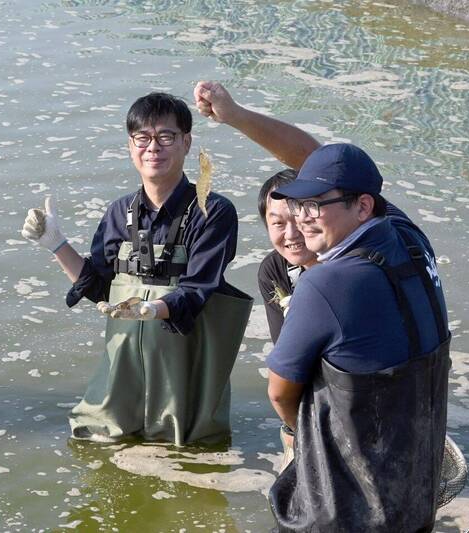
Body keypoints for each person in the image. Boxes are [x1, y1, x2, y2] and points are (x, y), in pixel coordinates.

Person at [21, 87, 314, 445]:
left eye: (165, 137)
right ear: (130, 146)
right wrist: (57, 245)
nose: (153, 148)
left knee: (191, 453)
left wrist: (151, 308)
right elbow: (100, 289)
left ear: (187, 143)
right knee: (95, 443)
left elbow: (196, 292)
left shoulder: (213, 211)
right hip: (123, 378)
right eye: (142, 138)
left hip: (185, 375)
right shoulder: (119, 212)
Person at [265, 143, 450, 531]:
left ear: (363, 206)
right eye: (298, 205)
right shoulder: (410, 238)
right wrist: (236, 116)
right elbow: (316, 158)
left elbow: (280, 392)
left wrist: (303, 440)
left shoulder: (326, 282)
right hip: (414, 496)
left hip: (342, 510)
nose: (301, 220)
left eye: (315, 206)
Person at [256, 169, 318, 343]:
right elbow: (284, 349)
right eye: (278, 223)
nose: (291, 234)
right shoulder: (274, 270)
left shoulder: (352, 264)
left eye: (298, 219)